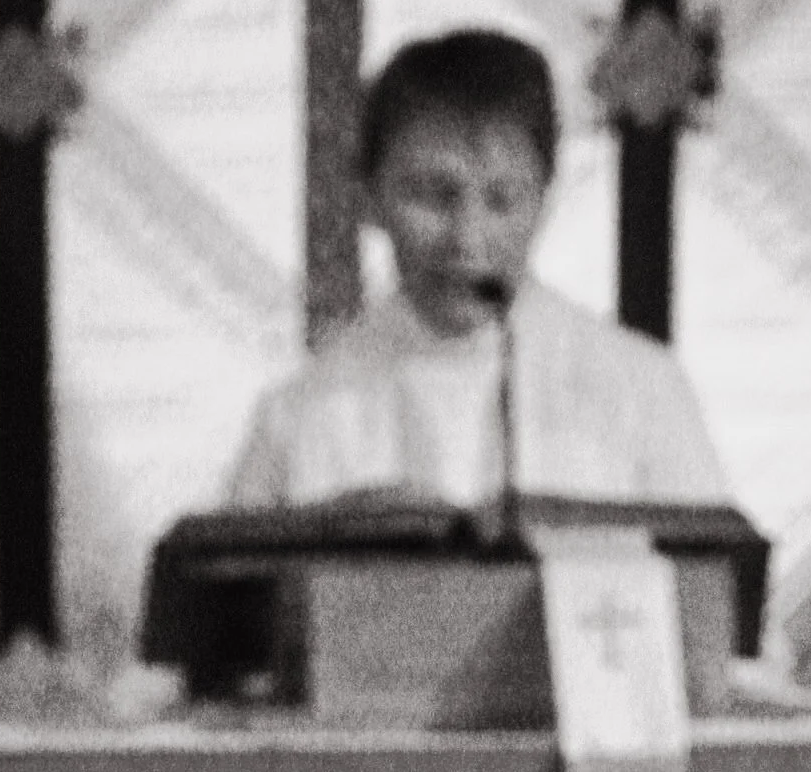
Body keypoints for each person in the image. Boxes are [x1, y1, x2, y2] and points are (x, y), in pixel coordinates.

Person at [225, 29, 728, 511]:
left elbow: (710, 586)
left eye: (502, 200)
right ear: (368, 196)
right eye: (432, 196)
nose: (467, 238)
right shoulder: (299, 417)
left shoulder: (641, 392)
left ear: (545, 197)